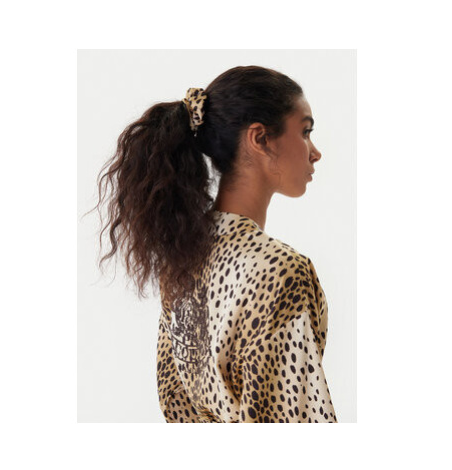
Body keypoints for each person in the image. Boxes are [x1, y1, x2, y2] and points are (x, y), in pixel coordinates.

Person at [95, 65, 337, 423]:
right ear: (260, 138)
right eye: (305, 132)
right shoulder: (280, 270)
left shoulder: (182, 260)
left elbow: (175, 401)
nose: (315, 152)